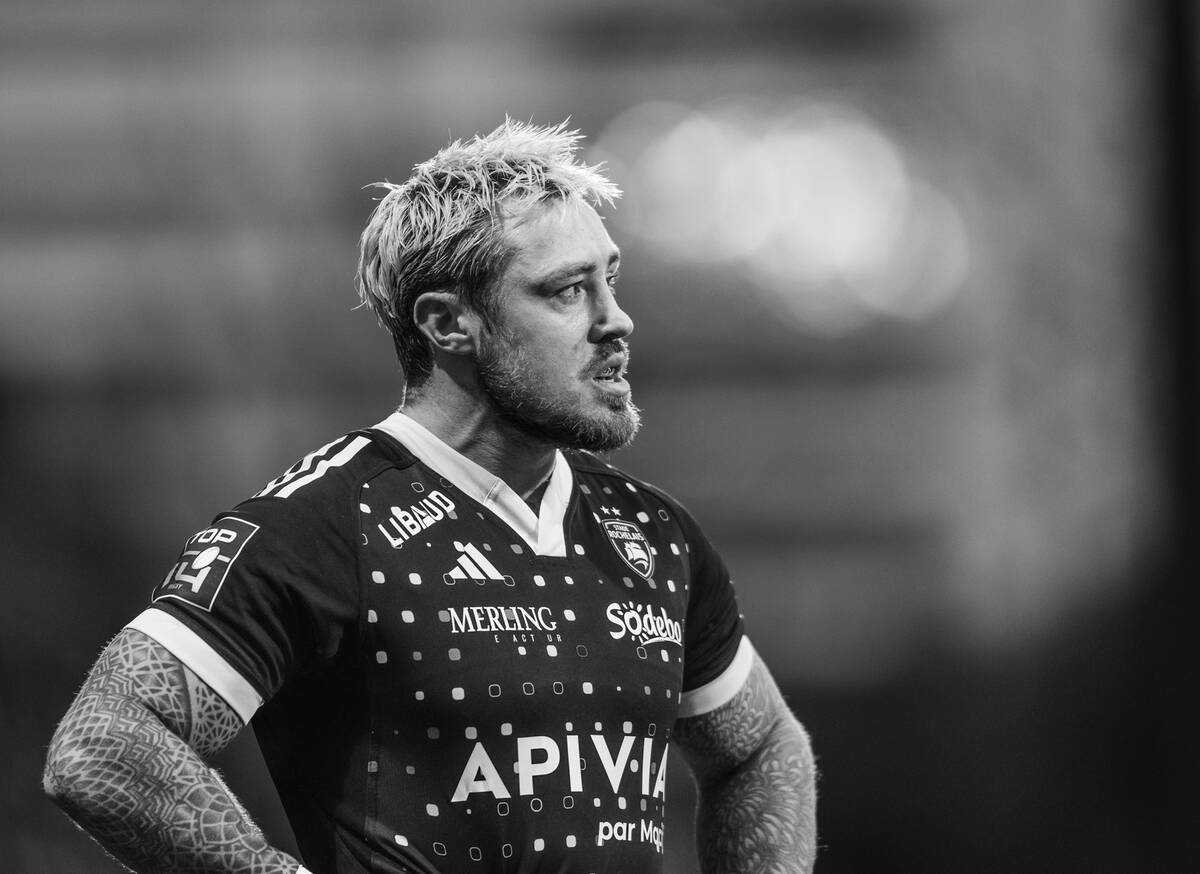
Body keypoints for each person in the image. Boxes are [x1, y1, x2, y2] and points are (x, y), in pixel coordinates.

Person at [43, 119, 817, 873]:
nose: (616, 321)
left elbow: (761, 748)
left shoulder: (652, 532)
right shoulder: (323, 525)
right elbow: (100, 746)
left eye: (608, 280)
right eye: (567, 291)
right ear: (449, 324)